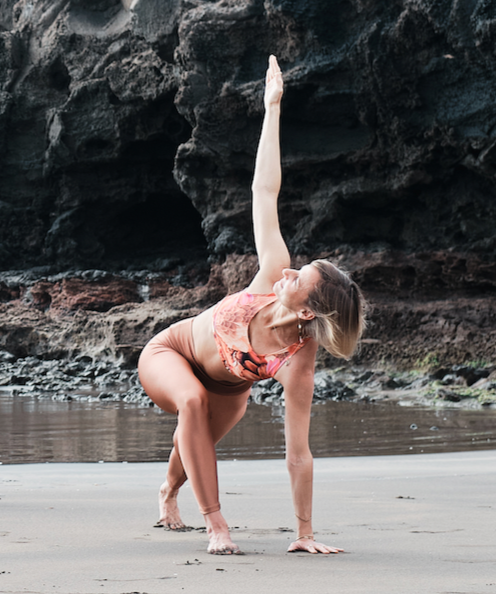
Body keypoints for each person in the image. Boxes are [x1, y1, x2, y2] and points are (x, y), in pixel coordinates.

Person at [138, 55, 366, 555]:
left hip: (229, 392)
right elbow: (265, 190)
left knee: (192, 433)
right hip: (169, 352)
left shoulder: (297, 359)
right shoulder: (269, 271)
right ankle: (216, 524)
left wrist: (304, 534)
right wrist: (272, 107)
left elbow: (299, 454)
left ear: (309, 311)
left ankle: (167, 492)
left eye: (299, 278)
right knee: (191, 404)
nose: (287, 271)